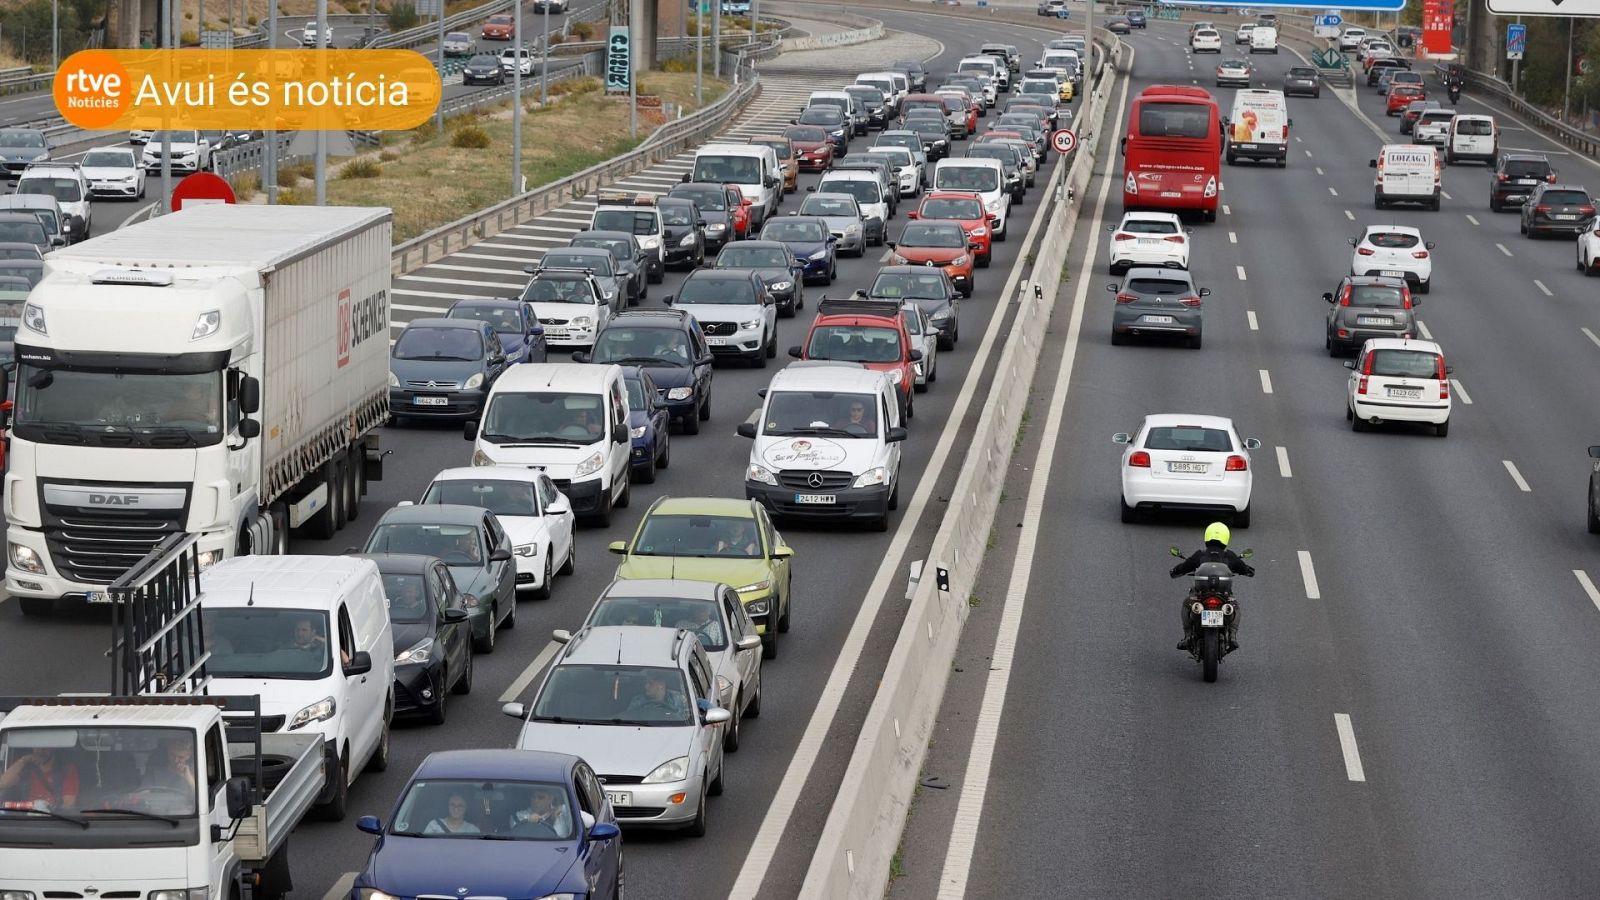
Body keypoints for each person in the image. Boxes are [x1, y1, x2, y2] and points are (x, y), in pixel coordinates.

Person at [1169, 521, 1255, 652]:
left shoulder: (1200, 555)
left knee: (1187, 604)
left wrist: (1175, 571)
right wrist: (1248, 570)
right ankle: (1232, 636)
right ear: (1225, 538)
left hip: (1201, 594)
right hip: (1223, 595)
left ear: (1207, 537)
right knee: (1235, 606)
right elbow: (1245, 569)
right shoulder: (1229, 556)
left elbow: (1184, 567)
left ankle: (1187, 636)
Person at [0, 746, 80, 810]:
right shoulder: (26, 769)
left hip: (53, 817)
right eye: (37, 747)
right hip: (26, 816)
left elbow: (68, 805)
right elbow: (2, 784)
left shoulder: (66, 770)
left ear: (53, 748)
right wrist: (24, 760)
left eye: (45, 747)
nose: (40, 751)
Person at [508, 784, 572, 837]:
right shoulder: (519, 816)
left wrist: (560, 807)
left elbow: (577, 814)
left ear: (550, 799)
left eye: (541, 798)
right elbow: (517, 835)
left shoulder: (563, 813)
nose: (536, 801)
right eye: (533, 797)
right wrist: (528, 821)